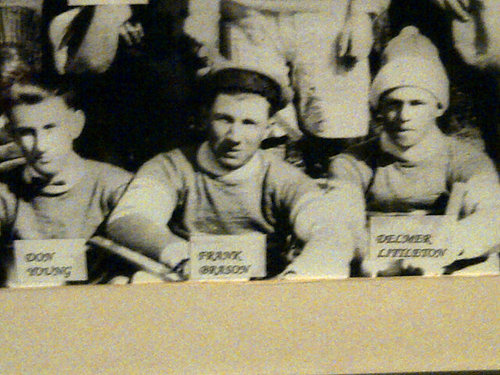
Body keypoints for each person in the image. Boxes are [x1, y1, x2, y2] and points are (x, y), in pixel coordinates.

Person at [107, 64, 359, 280]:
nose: (235, 137)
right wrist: (183, 257)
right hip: (186, 282)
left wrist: (295, 278)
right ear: (205, 118)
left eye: (249, 123)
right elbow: (128, 220)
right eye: (224, 120)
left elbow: (332, 231)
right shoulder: (170, 166)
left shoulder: (285, 179)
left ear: (268, 129)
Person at [329, 27, 500, 275]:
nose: (404, 116)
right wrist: (379, 257)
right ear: (378, 108)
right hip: (374, 270)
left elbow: (493, 218)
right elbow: (338, 225)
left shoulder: (468, 160)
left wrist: (443, 248)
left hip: (444, 270)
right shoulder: (352, 162)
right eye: (393, 104)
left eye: (416, 103)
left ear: (438, 107)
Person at [219, 0, 390, 176]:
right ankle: (271, 194)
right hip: (249, 16)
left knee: (335, 127)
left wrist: (362, 13)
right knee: (259, 127)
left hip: (329, 17)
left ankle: (334, 195)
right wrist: (200, 16)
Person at [43, 0, 209, 170]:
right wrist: (114, 14)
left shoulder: (169, 34)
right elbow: (91, 63)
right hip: (104, 150)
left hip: (159, 151)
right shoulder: (70, 21)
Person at [0, 80, 132, 286]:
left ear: (75, 125)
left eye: (50, 128)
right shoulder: (5, 188)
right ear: (12, 134)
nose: (40, 146)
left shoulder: (116, 186)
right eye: (26, 132)